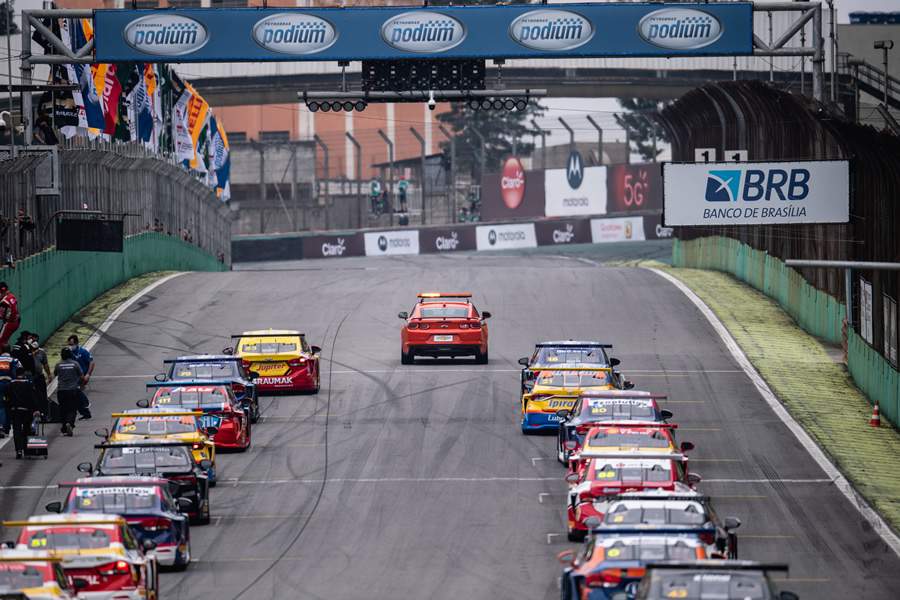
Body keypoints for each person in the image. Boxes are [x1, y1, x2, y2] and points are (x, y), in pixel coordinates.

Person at [5, 370, 38, 459]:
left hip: (15, 410)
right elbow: (32, 397)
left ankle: (19, 450)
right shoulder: (28, 384)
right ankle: (28, 450)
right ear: (23, 374)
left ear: (16, 374)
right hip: (26, 410)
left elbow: (7, 397)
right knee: (27, 429)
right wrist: (36, 409)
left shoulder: (10, 384)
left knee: (17, 430)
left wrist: (9, 407)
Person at [54, 347, 83, 436]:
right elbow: (81, 375)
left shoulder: (58, 365)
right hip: (73, 390)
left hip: (61, 390)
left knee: (63, 409)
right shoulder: (75, 364)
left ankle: (64, 427)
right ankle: (70, 423)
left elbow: (55, 373)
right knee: (73, 409)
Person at [67, 335, 93, 420]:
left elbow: (91, 363)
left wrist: (88, 374)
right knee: (75, 395)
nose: (70, 346)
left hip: (82, 377)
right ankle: (84, 411)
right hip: (72, 378)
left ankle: (85, 407)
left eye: (72, 344)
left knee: (77, 394)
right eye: (69, 344)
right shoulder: (68, 353)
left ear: (77, 343)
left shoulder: (83, 352)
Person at [28, 333, 51, 420]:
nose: (35, 350)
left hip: (39, 376)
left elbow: (45, 364)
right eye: (33, 349)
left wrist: (49, 374)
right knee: (32, 396)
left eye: (36, 348)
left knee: (43, 395)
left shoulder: (42, 352)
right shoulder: (27, 353)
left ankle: (44, 414)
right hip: (30, 377)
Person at [0, 345, 21, 438]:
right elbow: (19, 371)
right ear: (10, 350)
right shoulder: (14, 360)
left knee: (1, 406)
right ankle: (7, 428)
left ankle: (1, 426)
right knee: (9, 406)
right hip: (10, 385)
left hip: (0, 385)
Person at [0, 282, 20, 347]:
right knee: (5, 340)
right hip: (16, 322)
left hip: (9, 323)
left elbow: (1, 315)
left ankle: (3, 356)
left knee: (1, 341)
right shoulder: (11, 296)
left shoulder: (4, 301)